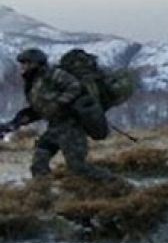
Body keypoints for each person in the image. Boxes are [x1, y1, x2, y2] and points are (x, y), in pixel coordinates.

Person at [4, 47, 117, 181]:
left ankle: (117, 184)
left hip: (71, 128)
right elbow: (40, 108)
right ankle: (41, 193)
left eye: (26, 63)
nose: (22, 67)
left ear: (36, 64)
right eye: (22, 63)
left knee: (77, 166)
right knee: (39, 164)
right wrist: (16, 122)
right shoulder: (33, 83)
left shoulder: (54, 74)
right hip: (54, 128)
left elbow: (75, 87)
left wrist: (59, 102)